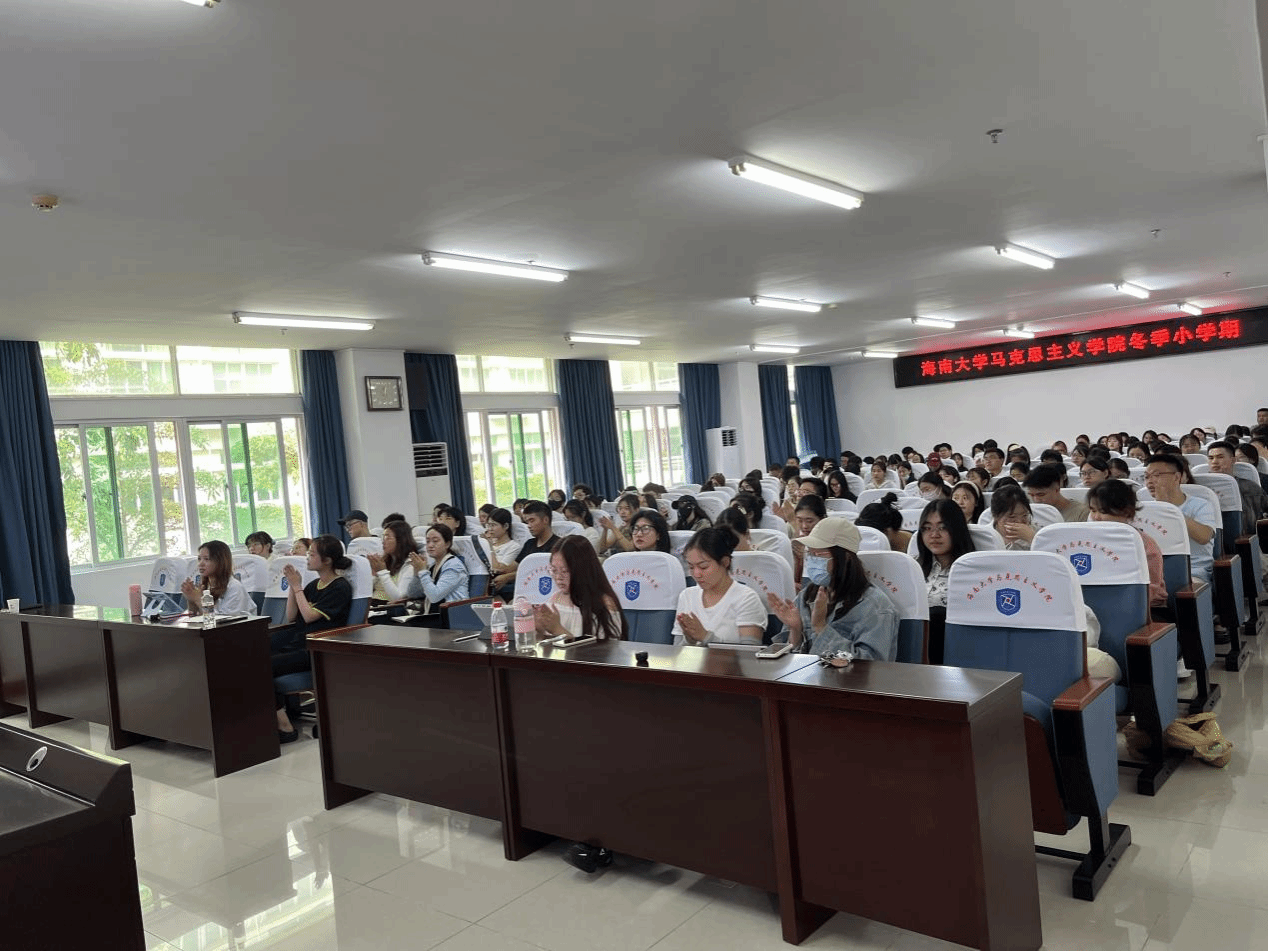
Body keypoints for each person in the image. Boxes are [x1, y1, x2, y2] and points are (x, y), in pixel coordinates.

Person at [768, 517, 899, 661]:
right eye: (810, 553)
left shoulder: (876, 606)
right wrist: (795, 629)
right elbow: (789, 659)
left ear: (846, 557)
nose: (812, 560)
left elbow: (871, 666)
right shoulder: (806, 596)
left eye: (818, 555)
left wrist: (820, 628)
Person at [272, 534, 354, 741]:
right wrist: (293, 587)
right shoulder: (313, 585)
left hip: (315, 648)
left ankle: (285, 727)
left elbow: (309, 617)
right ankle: (273, 719)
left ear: (327, 560)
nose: (307, 558)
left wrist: (297, 587)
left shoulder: (340, 587)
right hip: (297, 643)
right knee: (248, 658)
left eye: (312, 554)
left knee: (260, 666)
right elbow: (292, 616)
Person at [672, 528, 767, 646]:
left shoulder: (746, 599)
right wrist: (689, 640)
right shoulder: (687, 596)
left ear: (725, 562)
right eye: (691, 567)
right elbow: (675, 650)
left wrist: (706, 637)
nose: (696, 574)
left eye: (703, 567)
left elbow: (750, 653)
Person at [1087, 479, 1167, 610]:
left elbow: (1152, 587)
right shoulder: (1088, 541)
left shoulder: (1143, 543)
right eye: (1093, 510)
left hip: (1147, 606)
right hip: (1100, 605)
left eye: (1103, 511)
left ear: (1126, 512)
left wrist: (1116, 605)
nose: (1096, 517)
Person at [532, 535, 626, 642]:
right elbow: (548, 646)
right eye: (554, 570)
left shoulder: (605, 604)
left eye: (565, 571)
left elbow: (606, 650)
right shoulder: (555, 599)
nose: (558, 577)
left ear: (583, 570)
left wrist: (558, 630)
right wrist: (540, 631)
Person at [1145, 454, 1217, 583]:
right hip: (1153, 572)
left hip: (1193, 570)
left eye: (1156, 475)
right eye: (1146, 477)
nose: (1150, 481)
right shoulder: (1144, 508)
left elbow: (1204, 537)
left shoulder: (1201, 504)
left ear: (1177, 477)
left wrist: (1168, 508)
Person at [915, 499, 975, 607]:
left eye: (942, 528)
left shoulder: (974, 571)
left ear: (957, 529)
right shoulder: (914, 567)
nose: (934, 535)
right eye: (927, 528)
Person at [490, 500, 558, 592]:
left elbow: (540, 572)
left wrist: (507, 577)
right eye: (527, 522)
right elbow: (514, 566)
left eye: (532, 520)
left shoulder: (558, 545)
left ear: (545, 520)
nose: (528, 526)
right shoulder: (529, 544)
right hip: (525, 586)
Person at [406, 523, 470, 610]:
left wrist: (423, 571)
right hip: (434, 614)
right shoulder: (433, 566)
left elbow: (434, 597)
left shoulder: (454, 566)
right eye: (428, 541)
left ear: (447, 544)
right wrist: (417, 572)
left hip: (453, 614)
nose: (430, 545)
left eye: (435, 541)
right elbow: (413, 594)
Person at [180, 540, 254, 616]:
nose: (200, 564)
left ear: (220, 561)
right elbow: (195, 617)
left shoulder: (234, 587)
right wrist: (191, 599)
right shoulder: (205, 586)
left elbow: (225, 620)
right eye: (199, 559)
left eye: (206, 559)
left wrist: (198, 600)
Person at [1207, 440, 1267, 529]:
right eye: (1211, 458)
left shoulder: (1250, 487)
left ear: (1233, 460)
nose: (1214, 462)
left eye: (1220, 457)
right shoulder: (1202, 487)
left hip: (1245, 535)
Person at [367, 520, 417, 603]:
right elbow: (366, 591)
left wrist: (382, 572)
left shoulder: (410, 565)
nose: (383, 542)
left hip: (387, 607)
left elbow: (398, 598)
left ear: (401, 540)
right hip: (372, 603)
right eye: (383, 537)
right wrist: (374, 574)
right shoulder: (385, 561)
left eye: (388, 538)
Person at [1023, 464, 1088, 522]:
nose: (1036, 500)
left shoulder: (1082, 512)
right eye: (1031, 495)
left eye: (1041, 495)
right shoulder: (1027, 513)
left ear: (1057, 489)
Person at [991, 484, 1037, 551]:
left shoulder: (1036, 533)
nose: (1019, 522)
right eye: (1012, 517)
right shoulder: (986, 536)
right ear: (995, 516)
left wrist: (1033, 539)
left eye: (1025, 515)